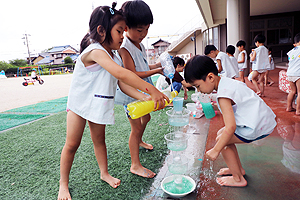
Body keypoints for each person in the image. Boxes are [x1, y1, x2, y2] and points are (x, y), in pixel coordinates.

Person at [57, 3, 169, 200]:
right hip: (79, 105)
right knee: (72, 144)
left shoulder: (114, 54)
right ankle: (63, 184)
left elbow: (123, 84)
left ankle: (104, 173)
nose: (122, 35)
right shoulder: (95, 51)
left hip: (98, 104)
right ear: (101, 31)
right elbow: (122, 74)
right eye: (119, 30)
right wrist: (151, 89)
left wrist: (147, 97)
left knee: (99, 141)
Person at [184, 55, 276, 187]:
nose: (199, 90)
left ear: (210, 77)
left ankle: (238, 178)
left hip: (256, 126)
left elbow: (231, 127)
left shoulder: (223, 95)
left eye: (198, 86)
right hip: (261, 120)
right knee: (222, 135)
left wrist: (216, 150)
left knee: (223, 142)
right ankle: (237, 169)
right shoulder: (227, 83)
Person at [114, 0, 164, 179]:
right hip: (131, 94)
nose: (143, 34)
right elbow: (132, 74)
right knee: (135, 128)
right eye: (139, 30)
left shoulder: (140, 44)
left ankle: (139, 141)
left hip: (142, 90)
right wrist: (156, 70)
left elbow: (143, 65)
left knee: (147, 117)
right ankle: (135, 164)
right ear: (126, 28)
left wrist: (158, 65)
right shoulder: (125, 47)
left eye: (147, 29)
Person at [286, 32, 300, 115]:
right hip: (298, 73)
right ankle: (298, 110)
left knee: (292, 91)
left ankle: (289, 107)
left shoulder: (291, 51)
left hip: (290, 73)